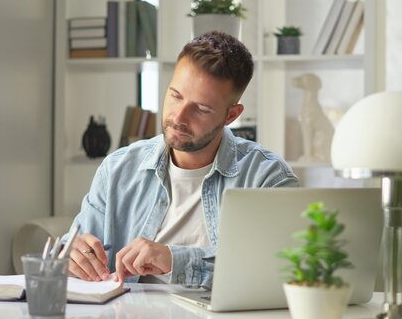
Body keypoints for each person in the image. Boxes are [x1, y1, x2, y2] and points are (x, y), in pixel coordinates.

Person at [62, 31, 299, 287]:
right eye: (176, 96)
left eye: (201, 108)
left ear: (231, 115)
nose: (179, 117)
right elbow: (74, 249)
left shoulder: (267, 178)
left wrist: (175, 260)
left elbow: (278, 272)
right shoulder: (118, 169)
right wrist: (72, 256)